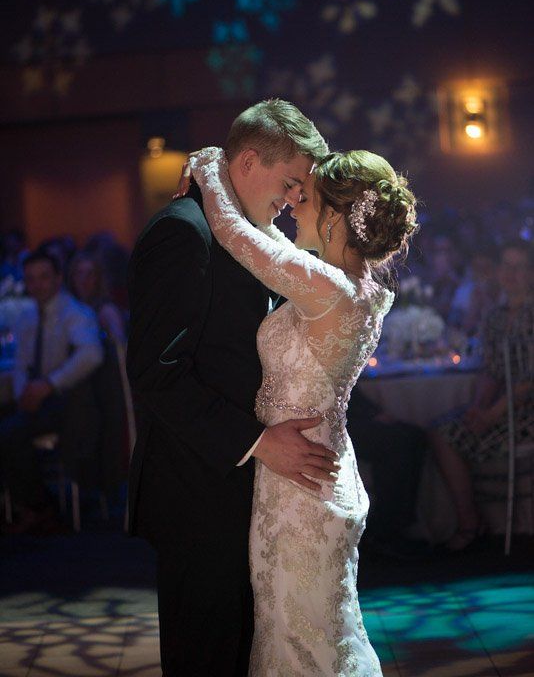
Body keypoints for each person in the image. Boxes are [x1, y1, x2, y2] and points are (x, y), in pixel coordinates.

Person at [185, 144, 418, 675]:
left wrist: (208, 167)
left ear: (335, 217)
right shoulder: (347, 286)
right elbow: (267, 245)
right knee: (306, 634)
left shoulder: (328, 288)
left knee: (301, 641)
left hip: (301, 488)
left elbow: (235, 235)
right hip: (308, 471)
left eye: (305, 195)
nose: (292, 202)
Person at [126, 99, 334, 677]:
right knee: (206, 658)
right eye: (290, 182)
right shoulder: (183, 233)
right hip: (197, 491)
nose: (295, 199)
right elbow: (155, 373)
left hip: (244, 493)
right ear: (246, 162)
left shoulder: (242, 233)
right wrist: (260, 442)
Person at [429, 240, 533, 552]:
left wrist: (493, 413)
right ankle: (470, 521)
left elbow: (529, 380)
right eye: (505, 266)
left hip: (525, 410)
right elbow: (490, 371)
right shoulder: (495, 316)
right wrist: (478, 408)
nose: (510, 274)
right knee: (442, 431)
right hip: (502, 405)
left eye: (519, 267)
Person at [0, 250, 103, 533]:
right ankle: (22, 505)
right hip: (37, 401)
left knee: (10, 433)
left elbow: (91, 354)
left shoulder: (74, 313)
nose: (38, 284)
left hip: (68, 403)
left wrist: (49, 385)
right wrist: (25, 393)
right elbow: (21, 363)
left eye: (44, 277)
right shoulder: (26, 316)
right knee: (10, 423)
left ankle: (40, 508)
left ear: (58, 278)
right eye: (31, 279)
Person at [346, 386, 427, 561]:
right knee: (399, 443)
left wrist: (372, 412)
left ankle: (394, 528)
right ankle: (384, 533)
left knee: (414, 437)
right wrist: (369, 413)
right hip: (330, 420)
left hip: (345, 412)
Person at [68, 252, 127, 344]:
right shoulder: (67, 308)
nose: (84, 279)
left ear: (98, 279)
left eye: (90, 274)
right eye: (79, 273)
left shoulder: (107, 311)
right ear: (72, 277)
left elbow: (120, 345)